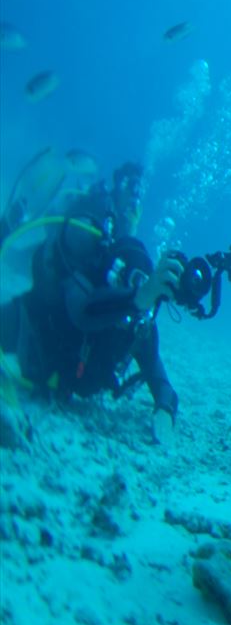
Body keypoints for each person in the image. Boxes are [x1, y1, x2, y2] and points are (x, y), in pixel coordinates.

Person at [0, 162, 184, 442]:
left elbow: (159, 377)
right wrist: (139, 295)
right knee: (14, 260)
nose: (134, 284)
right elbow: (81, 311)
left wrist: (165, 409)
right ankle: (9, 225)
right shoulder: (91, 248)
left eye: (142, 280)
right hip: (29, 330)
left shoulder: (138, 321)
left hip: (60, 371)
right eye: (129, 278)